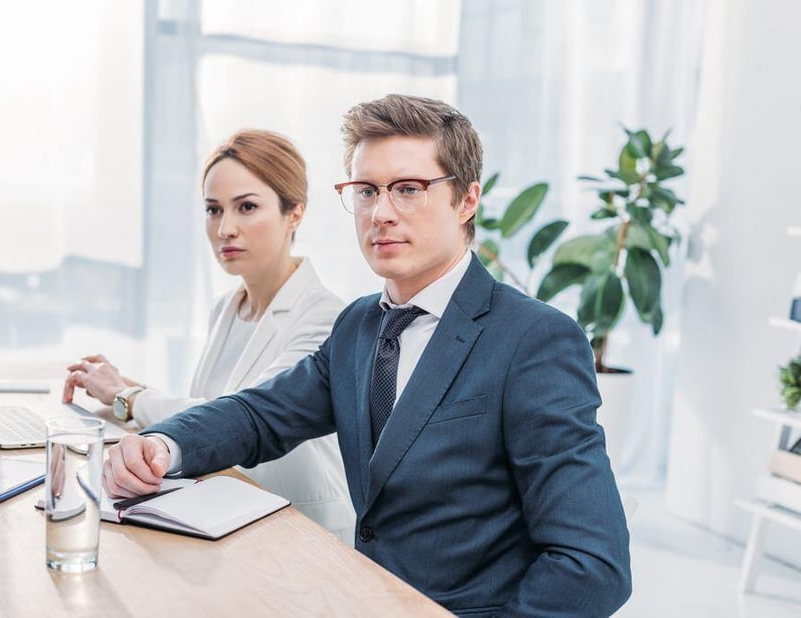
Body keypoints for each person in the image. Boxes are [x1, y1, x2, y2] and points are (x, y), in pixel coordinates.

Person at [103, 95, 632, 616]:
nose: (380, 213)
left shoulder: (535, 339)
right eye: (365, 191)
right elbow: (262, 414)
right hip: (359, 593)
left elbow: (593, 565)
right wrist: (163, 446)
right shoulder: (358, 324)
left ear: (467, 200)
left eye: (408, 189)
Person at [62, 129, 355, 544]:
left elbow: (237, 421)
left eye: (247, 207)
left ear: (295, 213)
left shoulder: (326, 317)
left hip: (299, 532)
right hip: (224, 517)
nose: (225, 229)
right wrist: (126, 392)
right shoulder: (227, 308)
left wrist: (129, 398)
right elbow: (208, 409)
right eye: (213, 210)